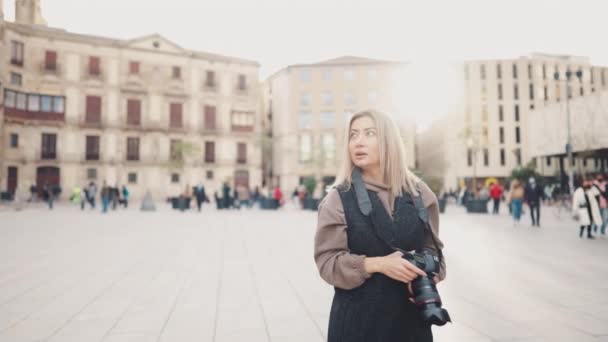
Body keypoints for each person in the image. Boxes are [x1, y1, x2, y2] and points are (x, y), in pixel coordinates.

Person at [314, 110, 446, 342]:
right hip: (358, 327)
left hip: (411, 326)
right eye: (353, 135)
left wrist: (427, 276)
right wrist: (377, 264)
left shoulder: (421, 194)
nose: (358, 141)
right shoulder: (338, 197)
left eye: (369, 133)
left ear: (388, 140)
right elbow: (327, 263)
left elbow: (435, 252)